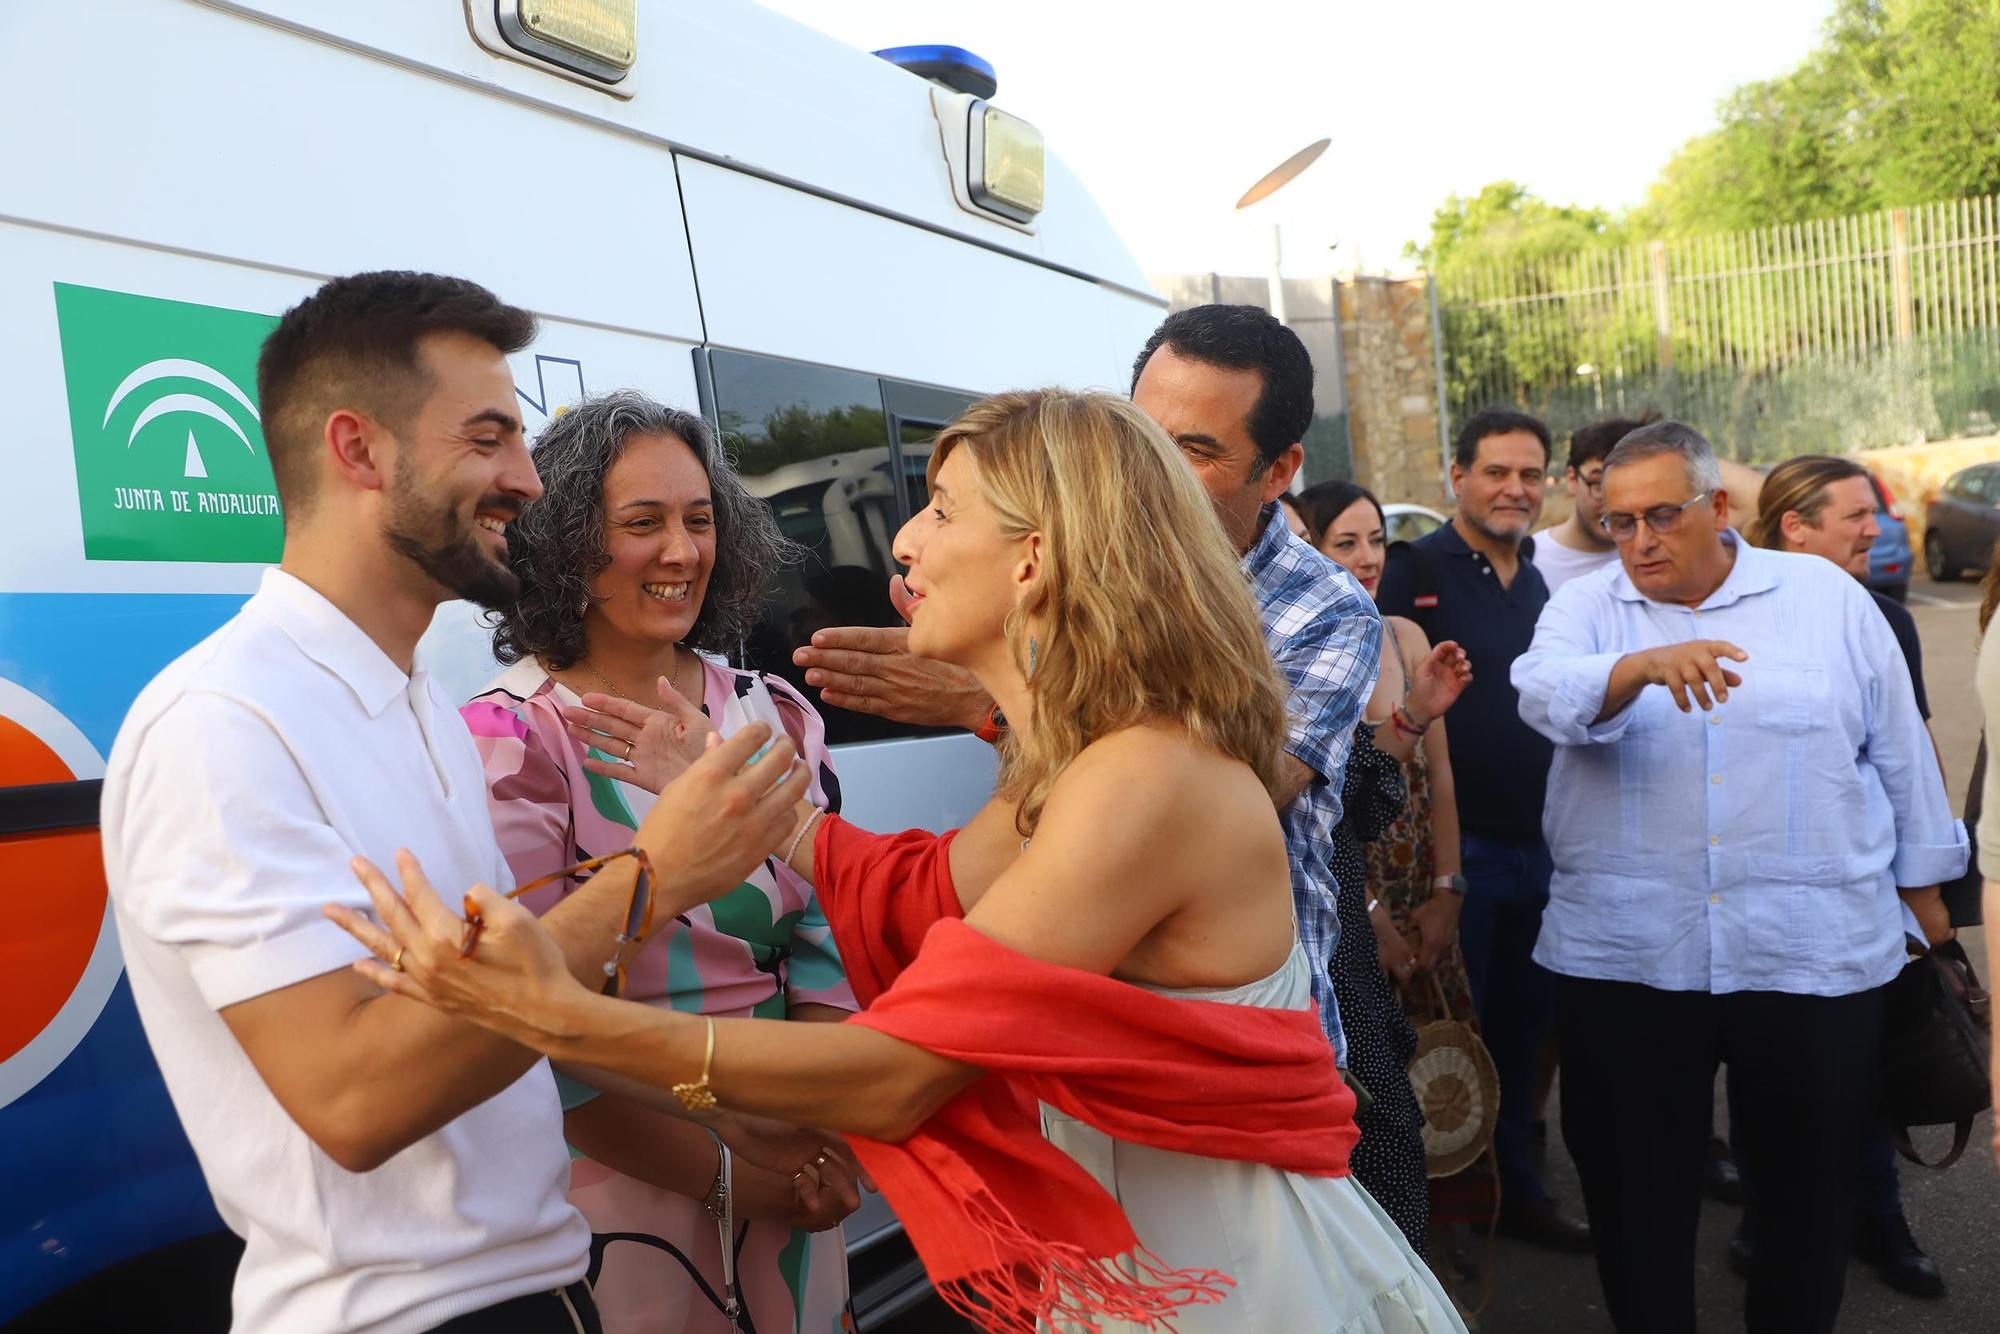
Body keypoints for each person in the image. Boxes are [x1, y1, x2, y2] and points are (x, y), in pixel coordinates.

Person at [331, 389, 1469, 1334]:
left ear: (1035, 559)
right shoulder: (1066, 764)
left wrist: (547, 1012)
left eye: (936, 509)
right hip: (1141, 1258)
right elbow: (918, 897)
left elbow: (895, 1069)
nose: (903, 542)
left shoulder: (1141, 779)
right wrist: (761, 817)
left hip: (1223, 1279)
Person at [98, 272, 809, 1334]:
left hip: (534, 1286)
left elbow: (496, 1010)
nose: (525, 480)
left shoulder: (413, 701)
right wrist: (651, 876)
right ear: (358, 450)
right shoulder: (222, 721)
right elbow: (355, 1099)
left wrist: (711, 1115)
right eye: (486, 440)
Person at [792, 305, 1389, 1075]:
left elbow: (1233, 782)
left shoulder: (1328, 609)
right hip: (1083, 1052)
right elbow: (946, 883)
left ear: (1277, 471)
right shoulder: (1067, 571)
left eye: (1195, 451)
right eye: (1140, 435)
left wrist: (989, 698)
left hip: (1231, 1068)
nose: (1151, 470)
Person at [1514, 421, 1966, 1334]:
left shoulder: (1826, 600)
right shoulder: (1590, 610)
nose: (1638, 541)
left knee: (1809, 1199)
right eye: (1617, 522)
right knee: (1636, 1203)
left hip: (1810, 957)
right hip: (1628, 962)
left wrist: (1932, 912)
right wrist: (1638, 669)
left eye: (1659, 518)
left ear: (1718, 508)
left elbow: (1903, 757)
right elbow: (1541, 692)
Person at [460, 392, 858, 1334]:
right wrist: (728, 1173)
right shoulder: (509, 740)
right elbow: (523, 1019)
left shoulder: (776, 714)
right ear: (562, 545)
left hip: (800, 1159)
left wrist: (821, 1133)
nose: (681, 552)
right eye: (642, 523)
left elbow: (829, 933)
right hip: (621, 1192)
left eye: (700, 519)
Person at [1375, 408, 1591, 1252]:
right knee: (1450, 1037)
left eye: (1530, 474)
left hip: (1549, 851)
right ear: (1456, 478)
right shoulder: (1410, 572)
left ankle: (1520, 1195)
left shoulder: (1542, 579)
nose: (1515, 489)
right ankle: (1445, 1219)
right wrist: (1434, 879)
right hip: (1458, 862)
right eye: (1496, 472)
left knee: (1530, 1033)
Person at [1739, 453, 1949, 1299]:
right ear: (1795, 526)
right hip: (1756, 892)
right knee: (1762, 1077)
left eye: (1875, 514)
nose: (1878, 529)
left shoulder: (1886, 619)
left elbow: (1913, 751)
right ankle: (1767, 1218)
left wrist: (1926, 880)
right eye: (1858, 516)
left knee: (1865, 1071)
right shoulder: (1734, 612)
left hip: (1860, 889)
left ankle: (1881, 1220)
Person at [1298, 479, 1475, 1259]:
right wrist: (1369, 919)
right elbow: (1315, 809)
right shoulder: (1287, 642)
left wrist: (1447, 889)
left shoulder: (1399, 634)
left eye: (1378, 541)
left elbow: (1424, 776)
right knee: (1372, 1121)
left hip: (1408, 886)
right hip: (1338, 909)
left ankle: (1452, 1231)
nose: (1367, 558)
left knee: (1435, 1074)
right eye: (1345, 542)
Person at [1534, 414, 1654, 594]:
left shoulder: (1657, 559)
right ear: (1572, 479)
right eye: (1598, 484)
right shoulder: (1530, 560)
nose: (1614, 504)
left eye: (1630, 487)